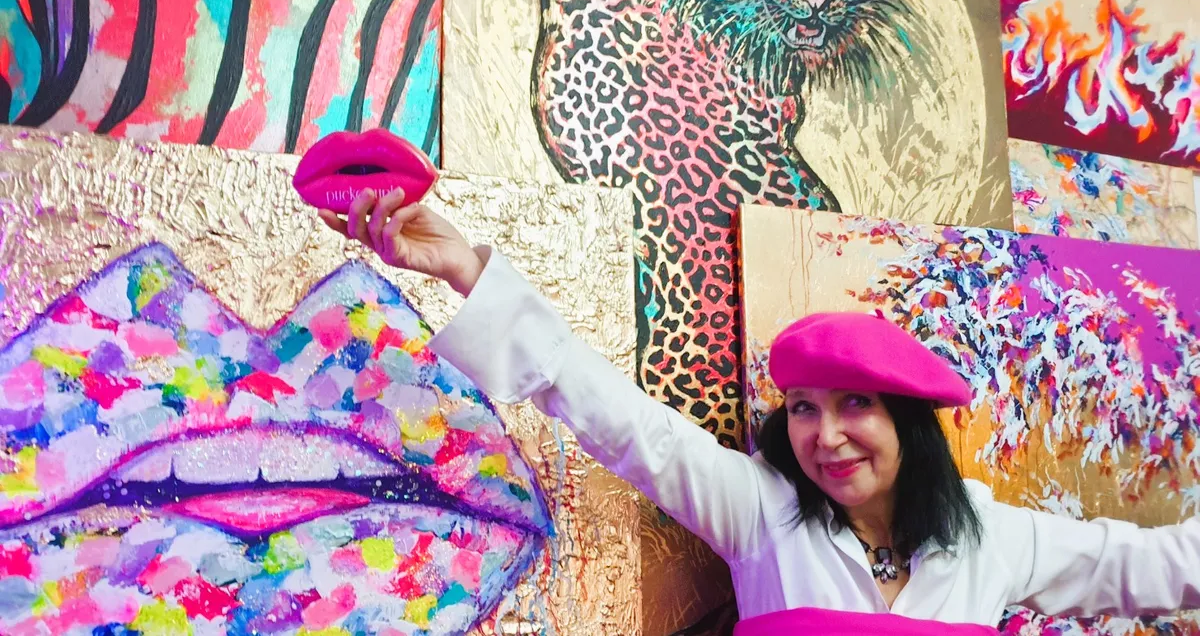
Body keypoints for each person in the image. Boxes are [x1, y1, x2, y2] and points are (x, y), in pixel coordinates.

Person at [320, 189, 1200, 635]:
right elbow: (618, 419)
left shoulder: (991, 538)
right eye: (804, 409)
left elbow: (1158, 567)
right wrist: (467, 268)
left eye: (856, 405)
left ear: (908, 424)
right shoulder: (761, 512)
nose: (826, 435)